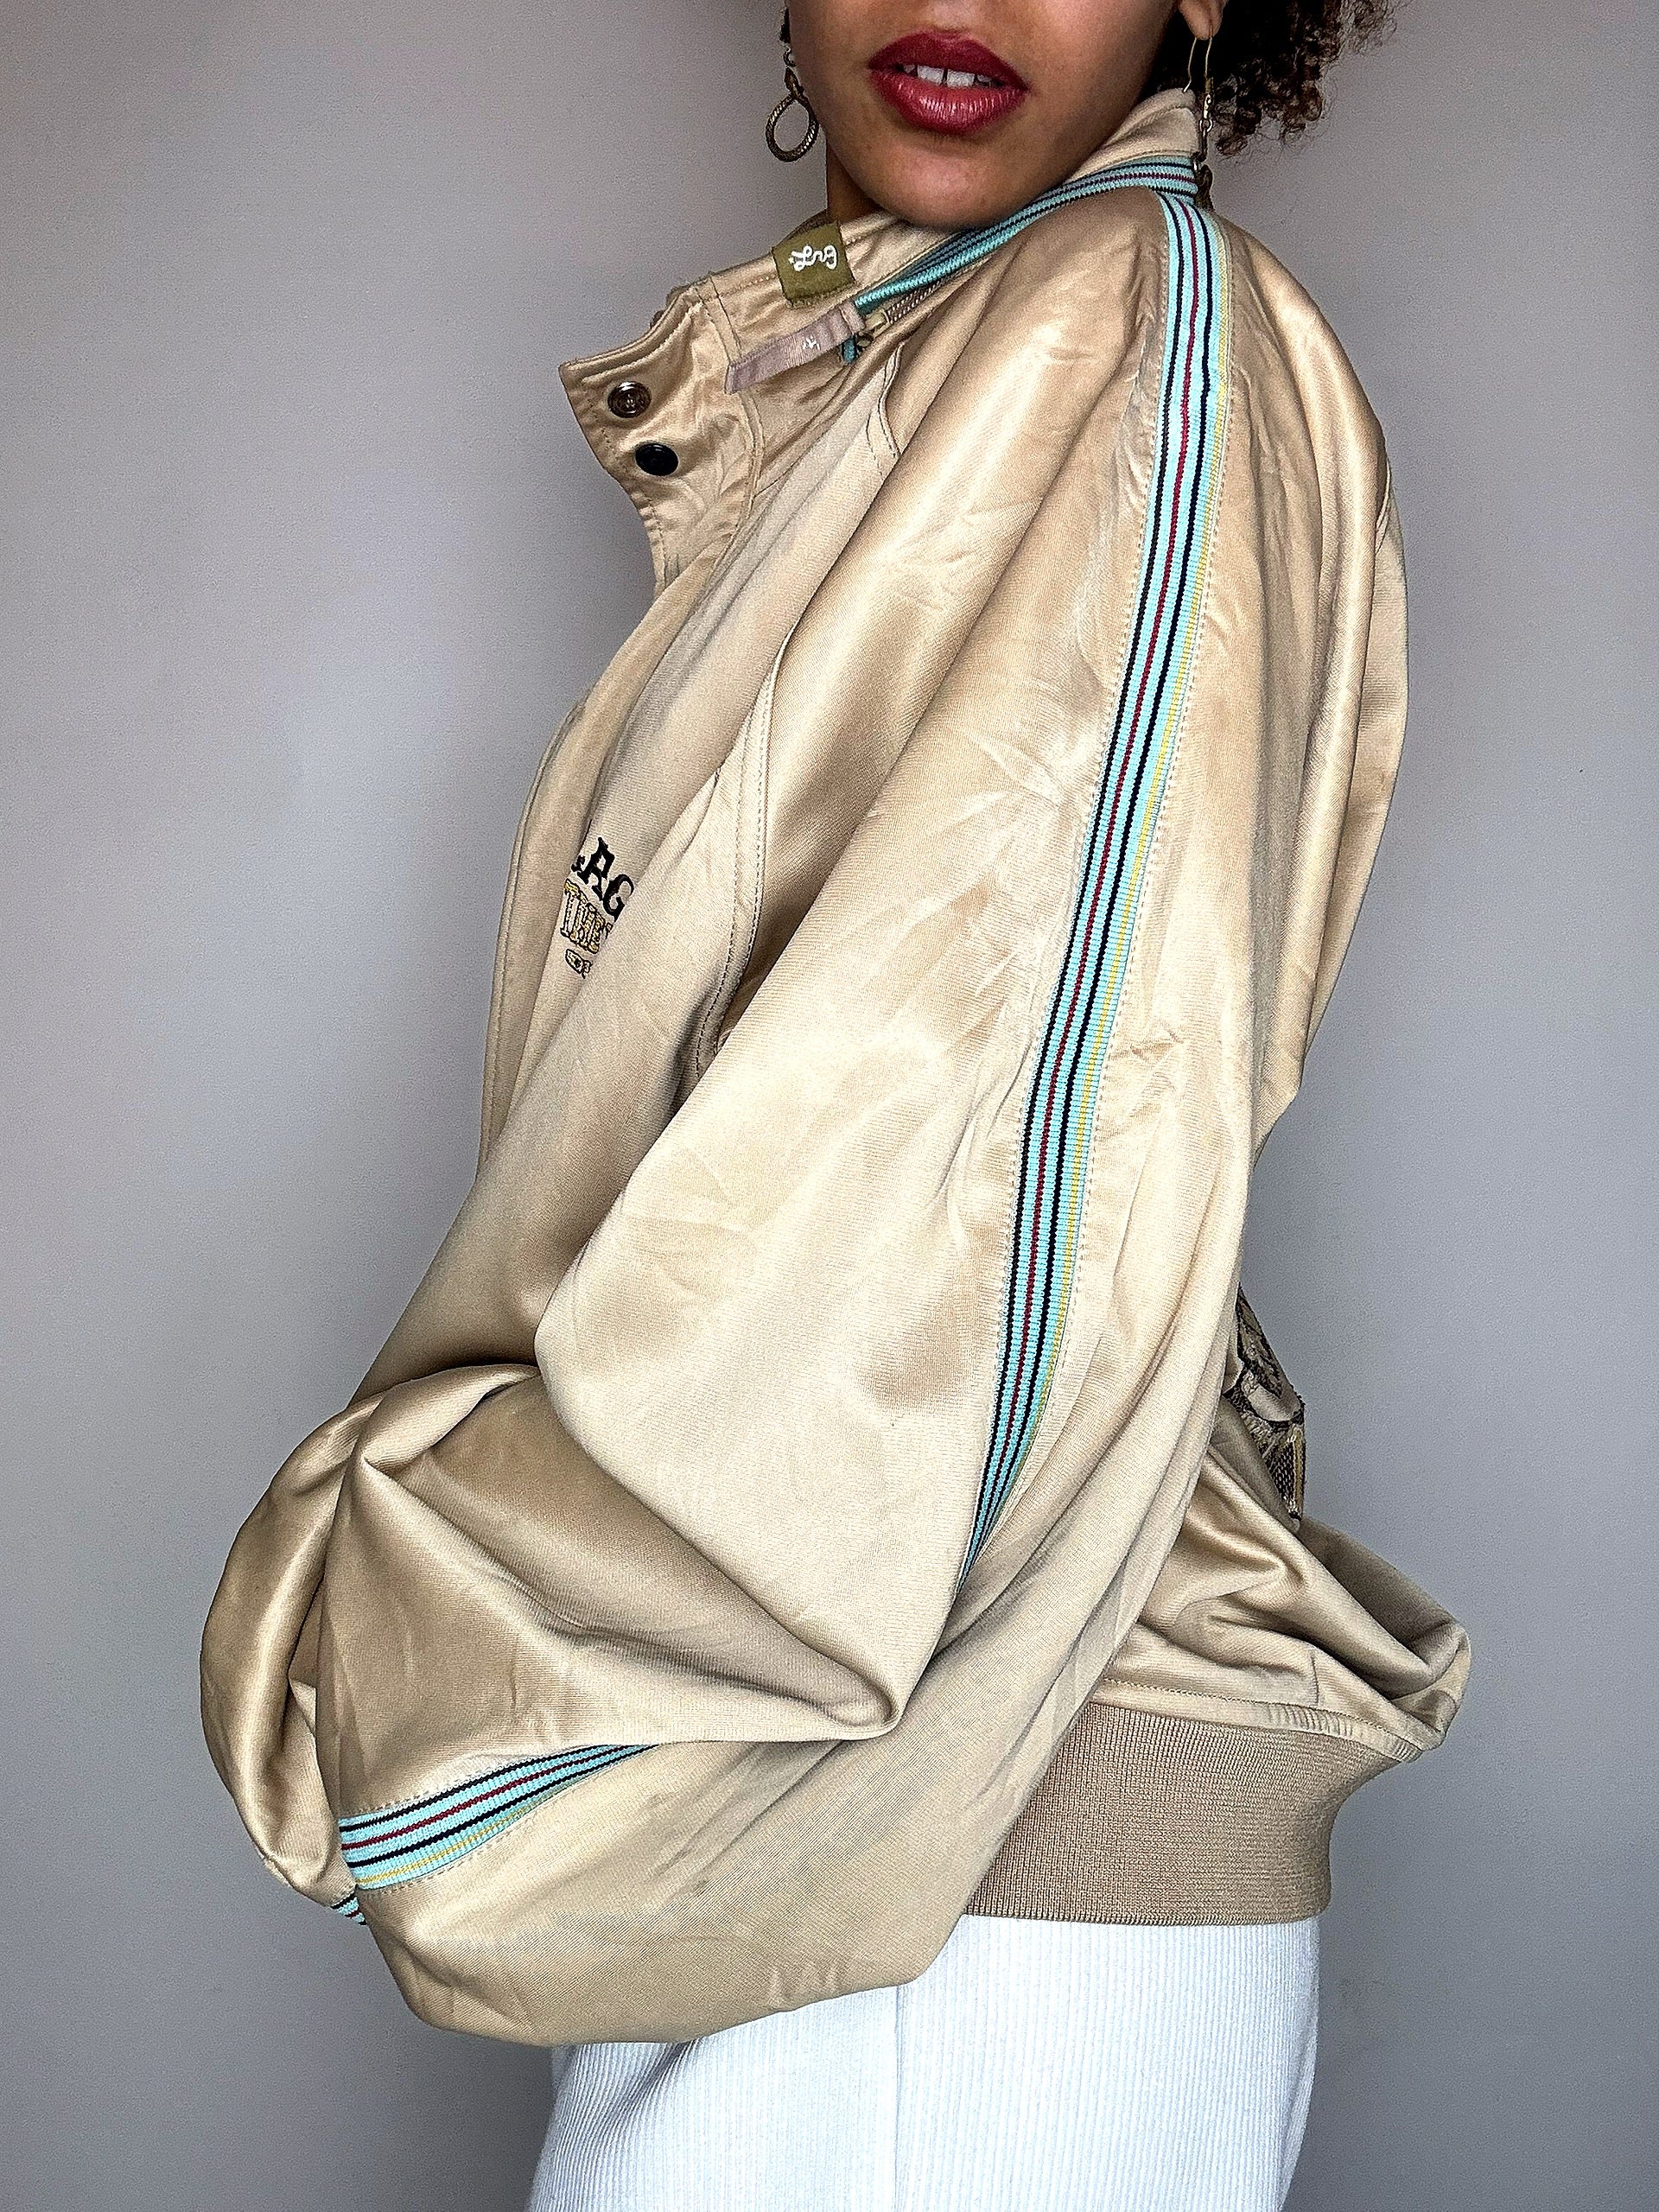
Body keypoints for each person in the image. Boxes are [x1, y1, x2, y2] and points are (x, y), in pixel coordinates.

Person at [200, 3, 1470, 2208]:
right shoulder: (955, 351)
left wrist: (388, 1639)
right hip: (868, 1830)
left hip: (939, 1886)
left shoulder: (1120, 327)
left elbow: (953, 1206)